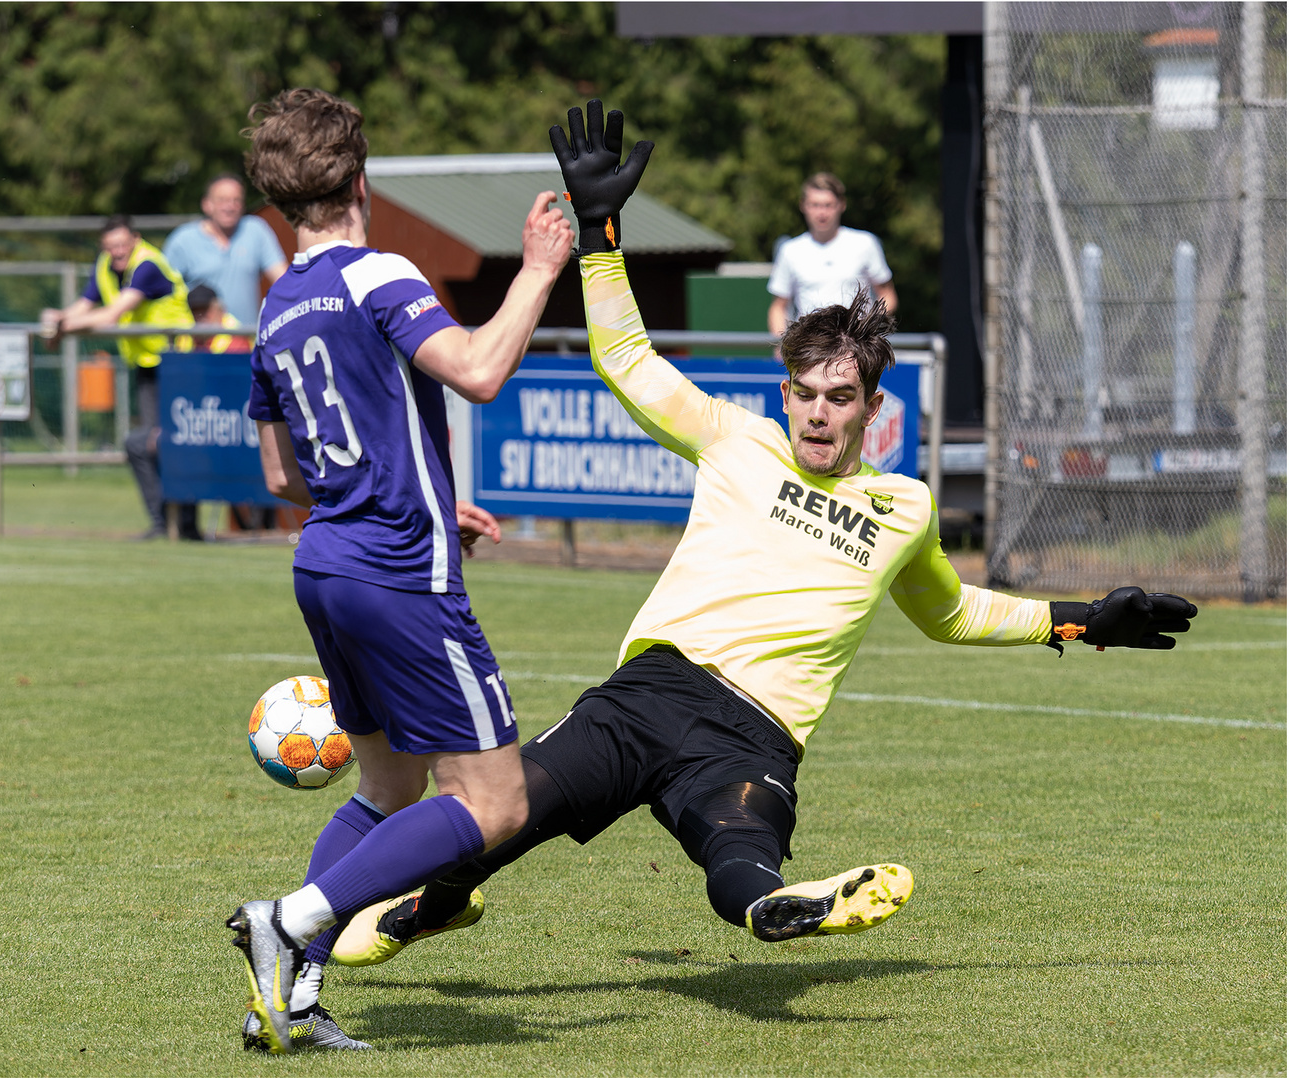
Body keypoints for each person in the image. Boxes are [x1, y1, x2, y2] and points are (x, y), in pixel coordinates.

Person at [324, 101, 1200, 985]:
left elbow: (952, 613)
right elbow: (626, 356)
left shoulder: (903, 508)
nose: (820, 411)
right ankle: (426, 906)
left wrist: (1083, 620)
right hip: (650, 694)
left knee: (738, 847)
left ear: (871, 408)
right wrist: (599, 228)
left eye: (840, 395)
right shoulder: (734, 438)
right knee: (503, 812)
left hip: (756, 733)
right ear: (784, 395)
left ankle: (781, 908)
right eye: (806, 392)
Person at [224, 88, 574, 1056]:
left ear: (279, 200)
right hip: (394, 575)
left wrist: (414, 494)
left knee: (387, 787)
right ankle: (291, 922)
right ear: (361, 180)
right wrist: (541, 271)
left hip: (325, 565)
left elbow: (280, 473)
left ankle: (289, 1000)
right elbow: (476, 368)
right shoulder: (377, 271)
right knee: (494, 805)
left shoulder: (274, 308)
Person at [41, 214, 199, 540]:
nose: (117, 252)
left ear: (135, 239)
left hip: (179, 363)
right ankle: (162, 523)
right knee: (142, 445)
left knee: (175, 443)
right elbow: (84, 305)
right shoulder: (104, 266)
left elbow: (114, 314)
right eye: (111, 247)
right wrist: (57, 317)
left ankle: (185, 526)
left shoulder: (148, 264)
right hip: (146, 365)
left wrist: (60, 326)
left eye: (122, 245)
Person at [767, 172, 898, 341]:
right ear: (803, 206)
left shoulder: (865, 243)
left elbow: (888, 295)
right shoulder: (790, 250)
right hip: (810, 347)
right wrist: (782, 343)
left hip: (857, 345)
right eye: (815, 205)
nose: (822, 212)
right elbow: (778, 307)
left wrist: (865, 328)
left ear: (841, 205)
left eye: (828, 205)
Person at [163, 172, 289, 328]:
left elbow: (284, 280)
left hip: (246, 341)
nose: (230, 207)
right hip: (201, 343)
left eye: (236, 200)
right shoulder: (183, 240)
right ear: (207, 204)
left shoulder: (256, 230)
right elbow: (165, 295)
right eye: (222, 200)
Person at [186, 285, 252, 353]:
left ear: (220, 309)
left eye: (205, 309)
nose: (199, 315)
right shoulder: (186, 338)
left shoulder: (236, 336)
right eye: (194, 310)